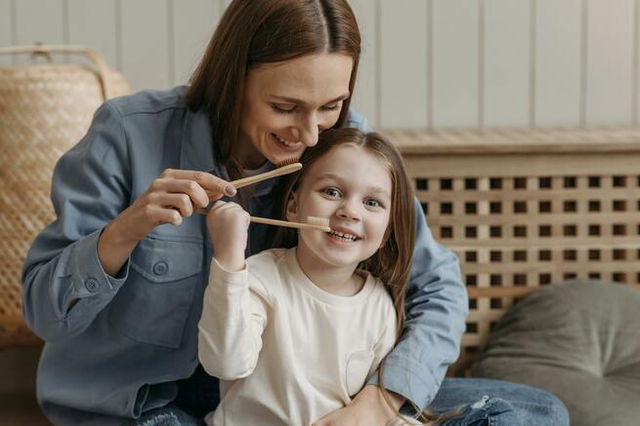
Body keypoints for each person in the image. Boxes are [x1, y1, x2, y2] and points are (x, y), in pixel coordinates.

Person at [21, 0, 569, 425]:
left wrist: (381, 400)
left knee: (534, 412)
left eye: (330, 107)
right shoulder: (126, 132)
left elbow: (437, 287)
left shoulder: (342, 151)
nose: (309, 135)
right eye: (285, 107)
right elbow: (44, 315)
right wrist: (126, 230)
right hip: (143, 403)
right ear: (233, 77)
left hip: (308, 396)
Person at [199, 128, 422, 425]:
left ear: (386, 233)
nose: (349, 211)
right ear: (293, 207)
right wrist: (229, 255)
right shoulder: (260, 277)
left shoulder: (379, 304)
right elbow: (225, 363)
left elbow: (372, 410)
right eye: (332, 192)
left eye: (372, 203)